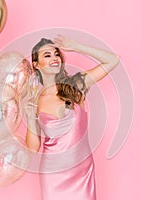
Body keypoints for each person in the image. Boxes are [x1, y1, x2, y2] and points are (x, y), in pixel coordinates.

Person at [25, 35, 119, 200]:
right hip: (52, 174)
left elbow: (112, 60)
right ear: (36, 65)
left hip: (81, 172)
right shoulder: (35, 101)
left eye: (56, 54)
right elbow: (33, 149)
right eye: (47, 55)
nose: (54, 58)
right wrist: (30, 117)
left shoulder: (76, 85)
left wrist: (77, 45)